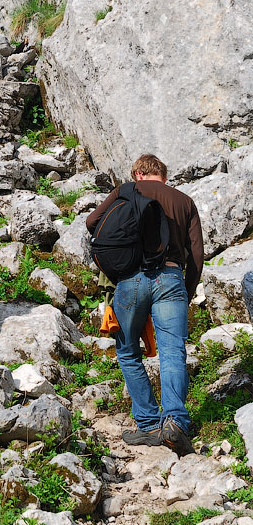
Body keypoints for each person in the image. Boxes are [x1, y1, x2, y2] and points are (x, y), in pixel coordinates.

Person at [86, 153, 204, 455]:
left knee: (127, 352)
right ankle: (175, 422)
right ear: (162, 175)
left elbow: (91, 222)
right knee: (172, 351)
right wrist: (185, 294)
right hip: (171, 277)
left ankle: (149, 424)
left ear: (138, 173)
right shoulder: (184, 201)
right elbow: (197, 255)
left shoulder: (127, 191)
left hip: (131, 280)